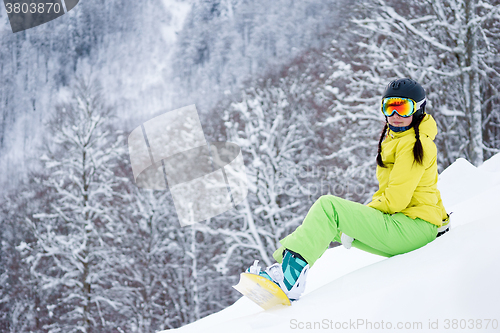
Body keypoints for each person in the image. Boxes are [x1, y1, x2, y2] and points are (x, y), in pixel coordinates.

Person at [246, 78, 450, 301]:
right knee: (326, 224)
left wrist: (363, 216)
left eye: (402, 107)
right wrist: (440, 219)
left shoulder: (413, 144)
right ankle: (284, 270)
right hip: (413, 226)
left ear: (419, 110)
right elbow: (427, 188)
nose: (394, 115)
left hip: (413, 228)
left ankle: (288, 280)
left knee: (329, 207)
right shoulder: (399, 139)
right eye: (388, 107)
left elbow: (396, 200)